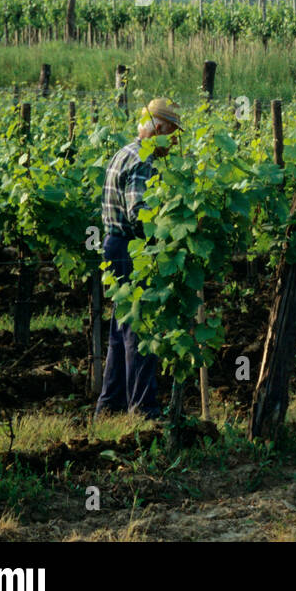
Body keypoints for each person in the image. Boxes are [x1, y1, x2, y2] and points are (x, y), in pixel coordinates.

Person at [96, 97, 182, 419]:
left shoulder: (124, 151)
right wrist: (170, 233)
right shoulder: (143, 160)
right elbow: (139, 215)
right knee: (141, 329)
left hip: (115, 245)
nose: (174, 143)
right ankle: (143, 410)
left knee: (122, 331)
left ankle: (110, 406)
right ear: (158, 128)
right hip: (133, 249)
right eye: (172, 135)